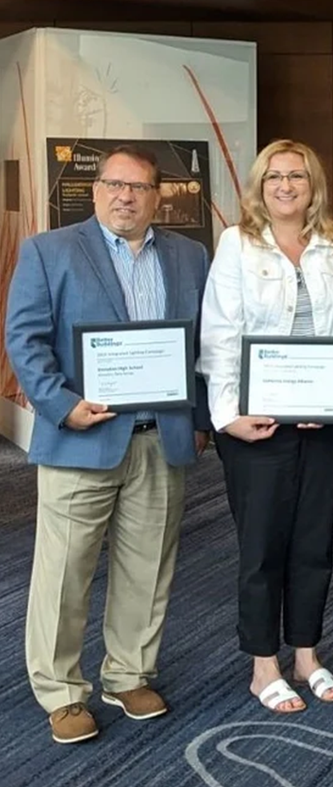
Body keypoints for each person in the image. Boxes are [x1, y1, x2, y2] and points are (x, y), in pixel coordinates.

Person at [5, 144, 210, 744]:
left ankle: (128, 673)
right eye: (115, 185)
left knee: (148, 569)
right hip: (80, 438)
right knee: (65, 571)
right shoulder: (50, 250)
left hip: (160, 437)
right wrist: (63, 405)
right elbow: (25, 339)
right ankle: (63, 692)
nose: (126, 197)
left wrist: (196, 418)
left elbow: (199, 347)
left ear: (158, 197)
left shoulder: (191, 255)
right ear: (96, 192)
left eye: (140, 187)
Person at [199, 139, 333, 714]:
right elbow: (218, 334)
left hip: (323, 423)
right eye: (274, 177)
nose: (285, 186)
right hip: (254, 424)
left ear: (313, 185)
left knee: (315, 543)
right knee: (262, 544)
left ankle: (307, 656)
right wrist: (226, 417)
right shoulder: (237, 244)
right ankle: (263, 664)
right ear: (259, 187)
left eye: (296, 176)